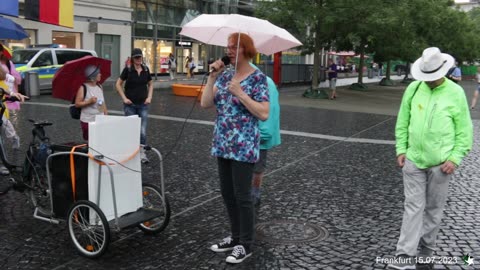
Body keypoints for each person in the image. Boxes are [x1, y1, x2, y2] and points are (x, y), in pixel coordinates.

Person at [388, 47, 473, 270]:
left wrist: (455, 158)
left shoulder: (455, 93)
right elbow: (402, 121)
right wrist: (400, 149)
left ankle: (427, 250)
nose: (429, 81)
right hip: (413, 160)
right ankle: (404, 255)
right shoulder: (414, 89)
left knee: (434, 209)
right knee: (413, 207)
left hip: (441, 164)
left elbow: (464, 130)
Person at [202, 33, 269, 264]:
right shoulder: (225, 76)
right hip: (223, 144)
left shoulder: (258, 78)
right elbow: (205, 103)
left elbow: (263, 112)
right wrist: (212, 77)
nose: (228, 51)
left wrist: (240, 93)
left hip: (243, 146)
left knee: (243, 197)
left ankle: (246, 244)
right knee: (227, 194)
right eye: (228, 47)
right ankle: (235, 237)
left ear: (246, 50)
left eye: (233, 47)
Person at [250, 64, 281, 207]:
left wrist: (264, 132)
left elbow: (270, 108)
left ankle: (255, 193)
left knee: (257, 167)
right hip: (253, 133)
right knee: (255, 166)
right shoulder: (261, 80)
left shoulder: (263, 82)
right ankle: (252, 192)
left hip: (259, 133)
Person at [115, 48, 153, 163]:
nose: (138, 59)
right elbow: (118, 84)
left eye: (140, 57)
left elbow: (151, 84)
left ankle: (141, 153)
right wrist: (124, 98)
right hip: (130, 105)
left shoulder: (146, 69)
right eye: (136, 57)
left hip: (143, 104)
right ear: (132, 58)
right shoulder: (127, 70)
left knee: (142, 130)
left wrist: (149, 97)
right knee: (131, 129)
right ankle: (130, 152)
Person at [75, 65, 107, 141]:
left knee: (100, 140)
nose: (100, 74)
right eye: (98, 73)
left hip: (100, 119)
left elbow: (101, 102)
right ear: (93, 76)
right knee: (91, 141)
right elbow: (77, 104)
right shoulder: (83, 88)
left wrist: (105, 113)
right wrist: (89, 102)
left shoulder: (99, 86)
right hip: (88, 121)